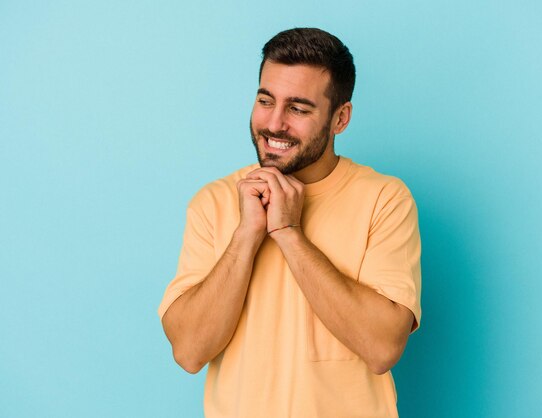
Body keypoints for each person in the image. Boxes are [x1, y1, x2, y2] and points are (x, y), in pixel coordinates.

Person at [158, 27, 422, 418]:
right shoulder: (213, 201)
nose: (275, 123)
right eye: (266, 100)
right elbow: (189, 352)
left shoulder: (384, 199)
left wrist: (288, 233)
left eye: (298, 108)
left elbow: (382, 349)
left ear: (340, 118)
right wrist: (247, 234)